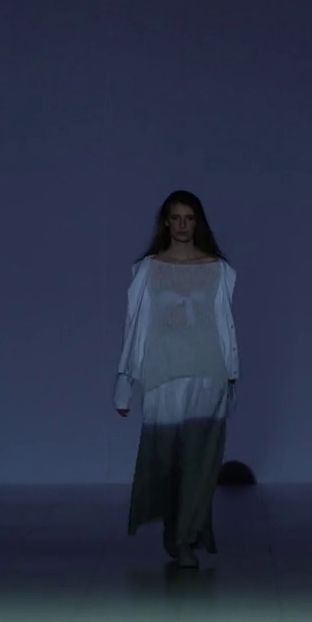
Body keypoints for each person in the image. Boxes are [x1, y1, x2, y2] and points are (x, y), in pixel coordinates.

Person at [114, 190, 239, 568]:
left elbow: (225, 326)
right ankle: (175, 526)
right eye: (176, 217)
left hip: (208, 372)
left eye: (189, 217)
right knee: (166, 459)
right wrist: (124, 384)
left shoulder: (218, 269)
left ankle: (186, 537)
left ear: (197, 222)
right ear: (166, 223)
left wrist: (232, 375)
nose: (183, 225)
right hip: (163, 374)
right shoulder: (148, 270)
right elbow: (135, 326)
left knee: (201, 459)